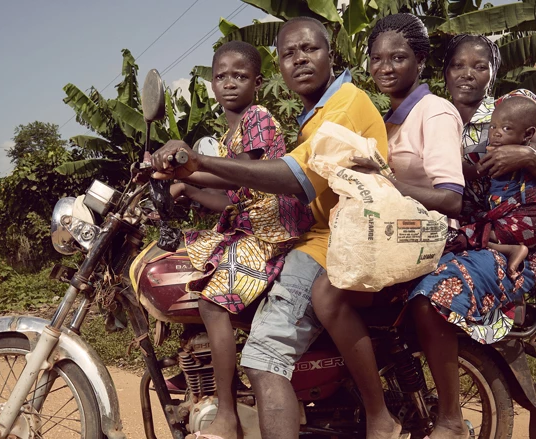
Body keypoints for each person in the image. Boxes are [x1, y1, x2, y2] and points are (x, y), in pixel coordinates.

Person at [151, 16, 390, 439]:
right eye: (288, 54)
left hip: (330, 242)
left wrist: (197, 163)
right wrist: (183, 182)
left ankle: (229, 414)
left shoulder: (344, 106)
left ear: (331, 55)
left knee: (262, 356)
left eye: (310, 50)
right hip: (321, 236)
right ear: (279, 67)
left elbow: (287, 178)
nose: (299, 59)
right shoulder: (313, 116)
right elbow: (240, 189)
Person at [401, 34, 536, 439]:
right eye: (458, 65)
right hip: (451, 235)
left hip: (500, 237)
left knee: (433, 296)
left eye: (479, 66)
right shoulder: (428, 113)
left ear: (493, 72)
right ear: (444, 72)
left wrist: (529, 156)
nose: (468, 74)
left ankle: (449, 418)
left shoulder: (511, 111)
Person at [309, 14, 464, 439]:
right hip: (395, 233)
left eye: (398, 57)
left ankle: (380, 415)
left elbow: (452, 198)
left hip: (430, 235)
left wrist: (388, 182)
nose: (385, 67)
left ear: (420, 60)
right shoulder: (388, 118)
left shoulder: (434, 112)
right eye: (376, 58)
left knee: (327, 292)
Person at [165, 40, 314, 439]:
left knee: (213, 304)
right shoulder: (229, 134)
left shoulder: (257, 118)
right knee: (183, 267)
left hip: (272, 233)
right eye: (221, 76)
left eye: (240, 76)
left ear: (258, 83)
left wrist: (187, 172)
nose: (229, 83)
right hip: (248, 228)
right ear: (212, 83)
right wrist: (189, 189)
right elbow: (228, 196)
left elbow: (242, 174)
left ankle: (227, 415)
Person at [466, 95, 536, 277]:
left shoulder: (525, 151)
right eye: (493, 126)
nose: (496, 133)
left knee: (474, 234)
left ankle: (512, 250)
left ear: (527, 134)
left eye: (506, 128)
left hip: (519, 219)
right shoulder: (524, 148)